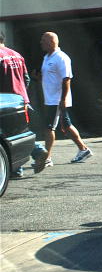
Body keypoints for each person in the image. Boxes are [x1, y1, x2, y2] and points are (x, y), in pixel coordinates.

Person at [37, 32, 92, 171]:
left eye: (43, 40)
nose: (40, 42)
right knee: (66, 126)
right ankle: (83, 149)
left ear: (51, 42)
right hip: (50, 99)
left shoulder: (61, 58)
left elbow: (66, 79)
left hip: (57, 99)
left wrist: (62, 100)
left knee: (49, 128)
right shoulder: (46, 57)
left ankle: (47, 158)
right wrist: (37, 77)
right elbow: (50, 77)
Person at [0, 31, 47, 177]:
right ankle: (16, 169)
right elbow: (26, 79)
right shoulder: (16, 54)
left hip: (5, 103)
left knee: (8, 134)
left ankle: (37, 150)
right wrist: (20, 94)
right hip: (21, 100)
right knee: (16, 133)